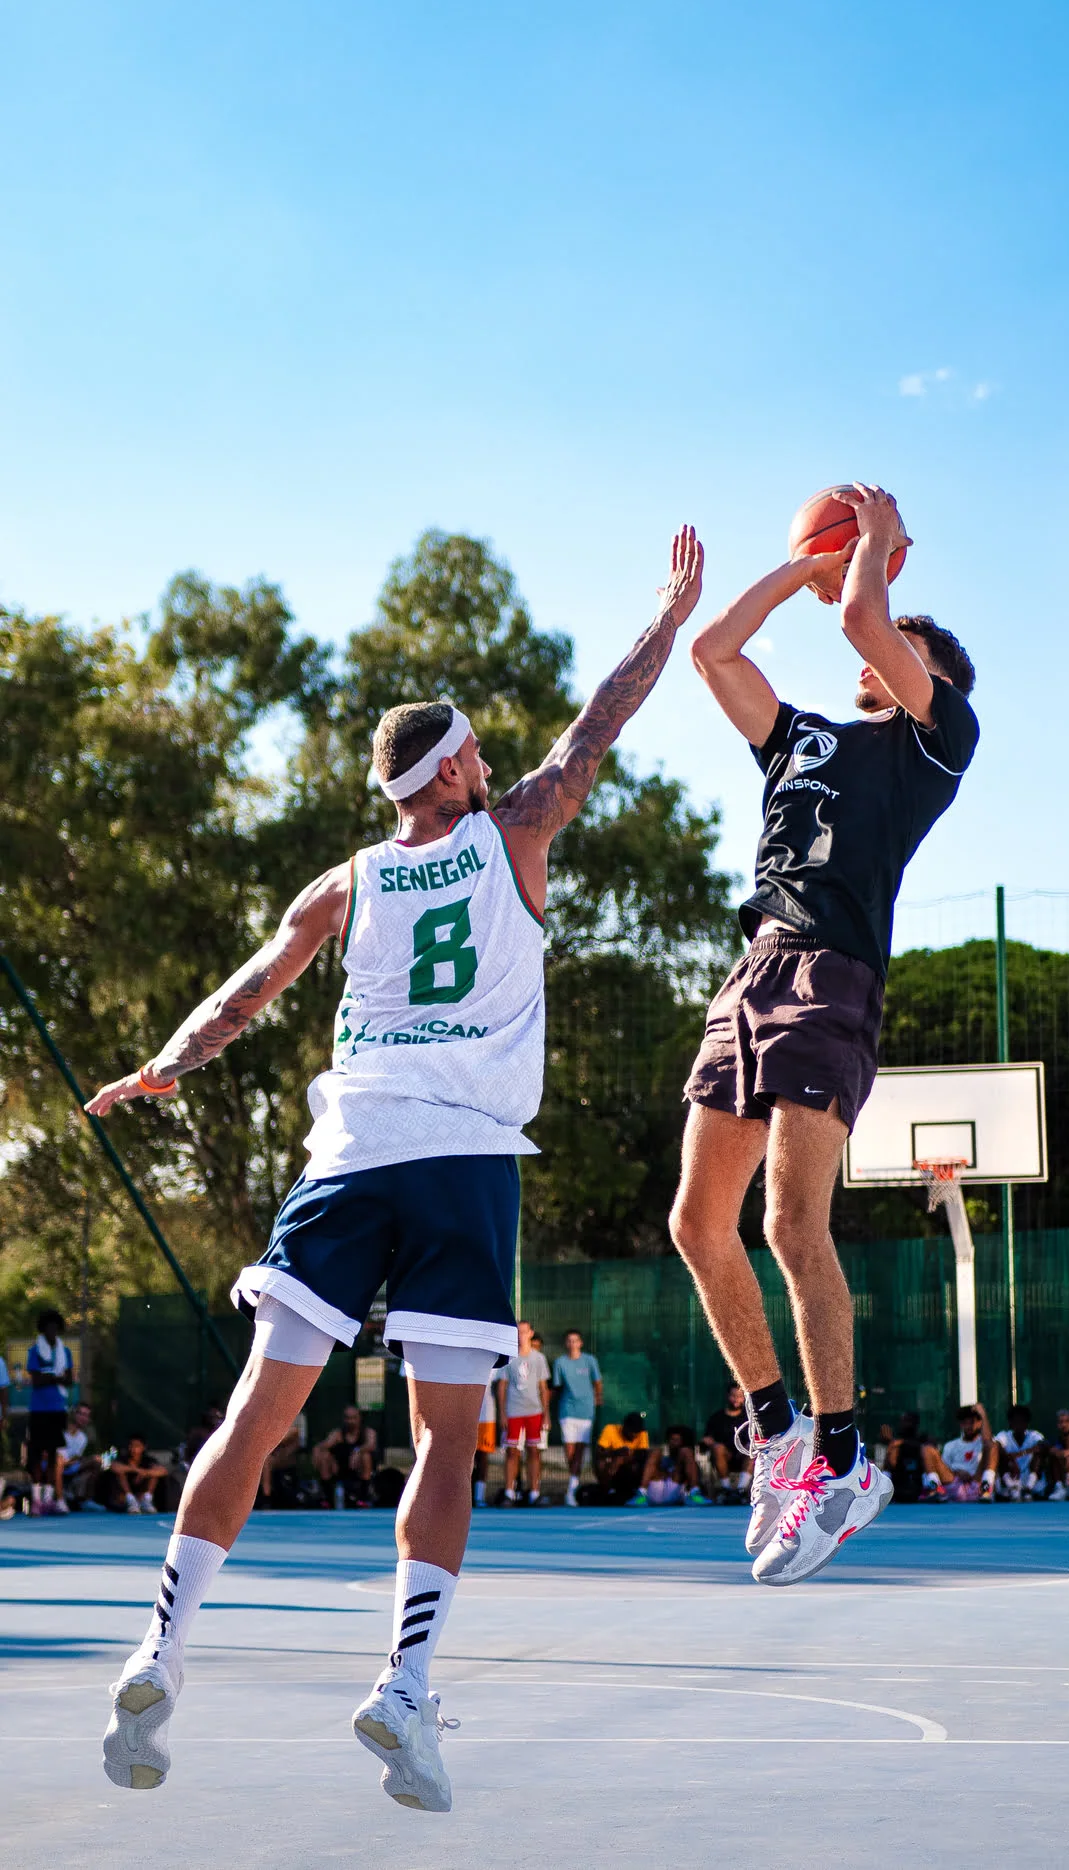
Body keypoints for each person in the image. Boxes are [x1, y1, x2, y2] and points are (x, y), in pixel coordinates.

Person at [87, 526, 705, 1811]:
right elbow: (600, 722)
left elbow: (249, 994)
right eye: (479, 749)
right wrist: (668, 613)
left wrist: (165, 1064)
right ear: (463, 765)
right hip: (464, 1164)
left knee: (260, 1411)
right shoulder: (518, 825)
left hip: (351, 1150)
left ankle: (160, 1646)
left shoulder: (347, 880)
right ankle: (404, 1686)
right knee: (445, 1439)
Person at [671, 483, 978, 1585]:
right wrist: (801, 569)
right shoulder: (804, 741)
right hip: (750, 971)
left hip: (830, 978)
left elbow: (861, 621)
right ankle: (778, 1431)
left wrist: (875, 552)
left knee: (792, 1222)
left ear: (927, 672)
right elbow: (712, 650)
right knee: (698, 1224)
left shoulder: (939, 741)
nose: (877, 639)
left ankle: (845, 1461)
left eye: (904, 636)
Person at [495, 1320, 551, 1507]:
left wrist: (546, 1413)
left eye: (524, 1332)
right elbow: (502, 1387)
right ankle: (509, 1492)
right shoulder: (508, 1357)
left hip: (534, 1411)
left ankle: (535, 1492)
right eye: (518, 1332)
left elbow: (543, 1388)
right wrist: (502, 1413)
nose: (521, 1335)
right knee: (512, 1452)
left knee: (534, 1451)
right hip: (513, 1411)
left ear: (531, 1333)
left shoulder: (539, 1358)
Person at [27, 1309, 74, 1514]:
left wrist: (49, 1376)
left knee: (54, 1453)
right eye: (49, 1327)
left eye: (56, 1327)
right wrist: (56, 1376)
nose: (52, 1331)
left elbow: (70, 1380)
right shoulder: (35, 1351)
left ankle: (48, 1497)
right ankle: (36, 1499)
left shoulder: (65, 1352)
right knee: (37, 1453)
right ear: (43, 1329)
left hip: (57, 1409)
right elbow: (36, 1381)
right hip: (39, 1410)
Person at [551, 1330, 602, 1506]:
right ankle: (574, 1484)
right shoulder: (560, 1362)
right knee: (571, 1453)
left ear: (580, 1343)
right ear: (566, 1344)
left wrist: (597, 1400)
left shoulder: (590, 1360)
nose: (573, 1344)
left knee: (579, 1452)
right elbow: (557, 1387)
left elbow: (597, 1383)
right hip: (566, 1411)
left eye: (575, 1341)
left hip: (586, 1412)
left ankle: (571, 1491)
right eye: (569, 1341)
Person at [626, 1424, 710, 1508]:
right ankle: (641, 1494)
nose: (673, 1443)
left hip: (675, 1490)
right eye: (671, 1440)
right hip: (655, 1490)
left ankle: (695, 1495)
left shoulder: (687, 1456)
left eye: (676, 1440)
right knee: (656, 1451)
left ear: (682, 1442)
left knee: (686, 1451)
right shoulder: (662, 1455)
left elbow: (690, 1474)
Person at [313, 1406, 375, 1507]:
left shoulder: (368, 1432)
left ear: (359, 1418)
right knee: (325, 1457)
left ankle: (364, 1497)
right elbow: (325, 1445)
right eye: (347, 1418)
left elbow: (371, 1445)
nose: (350, 1421)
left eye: (353, 1418)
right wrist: (321, 1452)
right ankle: (328, 1498)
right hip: (340, 1469)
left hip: (358, 1469)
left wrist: (358, 1451)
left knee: (366, 1457)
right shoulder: (338, 1434)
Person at [702, 1384, 752, 1502]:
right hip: (724, 1456)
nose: (736, 1399)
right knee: (718, 1448)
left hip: (744, 1455)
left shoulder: (749, 1416)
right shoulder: (717, 1417)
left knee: (752, 1448)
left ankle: (741, 1490)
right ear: (727, 1396)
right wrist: (708, 1441)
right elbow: (707, 1438)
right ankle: (726, 1489)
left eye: (740, 1396)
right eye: (733, 1396)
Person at [990, 1405, 1046, 1500]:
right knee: (1000, 1456)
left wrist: (1018, 1454)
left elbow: (1042, 1446)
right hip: (1011, 1476)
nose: (1018, 1425)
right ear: (1010, 1423)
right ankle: (1012, 1488)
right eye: (1015, 1422)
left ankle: (1029, 1488)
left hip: (1028, 1476)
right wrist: (1011, 1460)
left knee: (1039, 1456)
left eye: (1022, 1422)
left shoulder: (1034, 1435)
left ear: (1027, 1423)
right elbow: (996, 1446)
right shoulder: (1004, 1435)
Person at [594, 1412, 651, 1504]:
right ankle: (609, 1491)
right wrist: (616, 1453)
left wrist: (627, 1457)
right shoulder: (610, 1429)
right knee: (601, 1461)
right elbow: (599, 1452)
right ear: (625, 1427)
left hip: (631, 1469)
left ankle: (641, 1493)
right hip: (613, 1469)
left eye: (637, 1431)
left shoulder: (642, 1433)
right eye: (632, 1431)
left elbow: (643, 1454)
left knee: (649, 1457)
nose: (635, 1435)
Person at [939, 1403, 992, 1502]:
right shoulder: (950, 1445)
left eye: (972, 1422)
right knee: (928, 1450)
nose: (968, 1427)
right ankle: (933, 1490)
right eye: (964, 1423)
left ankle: (985, 1490)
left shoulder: (985, 1444)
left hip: (977, 1485)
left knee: (991, 1446)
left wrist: (983, 1414)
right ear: (960, 1424)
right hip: (955, 1487)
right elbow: (944, 1471)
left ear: (980, 1423)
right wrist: (957, 1472)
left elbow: (988, 1443)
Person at [59, 1402, 104, 1510]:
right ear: (73, 1414)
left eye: (87, 1415)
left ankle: (85, 1500)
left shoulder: (82, 1438)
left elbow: (74, 1459)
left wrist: (78, 1461)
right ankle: (60, 1497)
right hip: (53, 1467)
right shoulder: (60, 1431)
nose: (84, 1418)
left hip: (69, 1468)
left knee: (98, 1461)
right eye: (81, 1413)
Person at [109, 1436, 170, 1515]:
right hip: (123, 1497)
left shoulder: (148, 1460)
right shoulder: (122, 1459)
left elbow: (163, 1471)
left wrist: (146, 1473)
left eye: (137, 1446)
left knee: (153, 1475)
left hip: (141, 1495)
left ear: (143, 1447)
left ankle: (147, 1500)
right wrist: (137, 1470)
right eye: (131, 1445)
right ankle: (131, 1500)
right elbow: (114, 1467)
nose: (133, 1449)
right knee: (120, 1474)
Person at [473, 1369, 498, 1508]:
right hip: (466, 1414)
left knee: (483, 1456)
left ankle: (479, 1496)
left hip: (486, 1416)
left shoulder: (495, 1362)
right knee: (466, 1457)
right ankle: (464, 1497)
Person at [1047, 1409, 1069, 1501]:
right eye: (1061, 1422)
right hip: (1062, 1475)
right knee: (1054, 1457)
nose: (1064, 1425)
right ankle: (1060, 1488)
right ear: (1058, 1425)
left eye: (1067, 1421)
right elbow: (1050, 1449)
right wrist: (1065, 1455)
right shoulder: (1053, 1441)